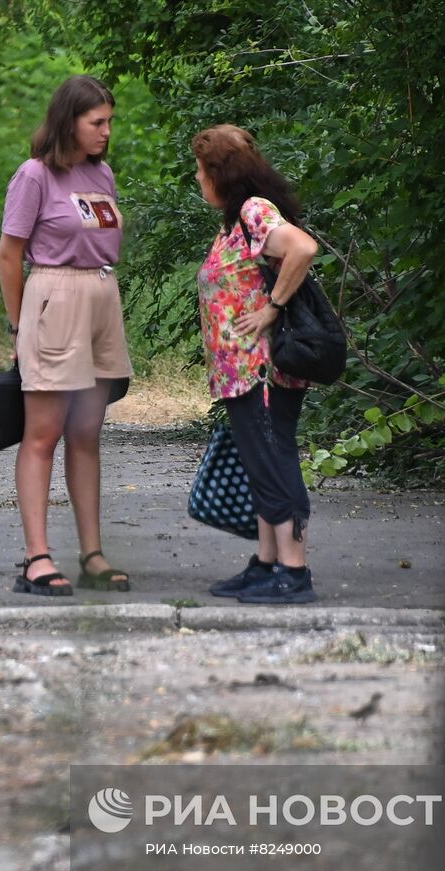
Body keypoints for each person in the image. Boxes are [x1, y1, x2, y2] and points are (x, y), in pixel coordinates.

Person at [0, 75, 134, 596]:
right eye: (96, 122)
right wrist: (19, 325)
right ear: (68, 122)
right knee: (44, 433)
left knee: (86, 434)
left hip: (101, 301)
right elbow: (10, 254)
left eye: (109, 122)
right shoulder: (34, 176)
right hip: (55, 299)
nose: (105, 132)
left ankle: (92, 554)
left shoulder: (102, 175)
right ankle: (37, 558)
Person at [192, 124, 320, 604]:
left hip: (262, 369)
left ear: (220, 174)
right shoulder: (235, 220)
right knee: (260, 462)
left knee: (274, 459)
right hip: (238, 370)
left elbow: (302, 248)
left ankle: (294, 571)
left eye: (201, 170)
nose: (197, 178)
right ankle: (267, 563)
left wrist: (273, 307)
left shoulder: (253, 210)